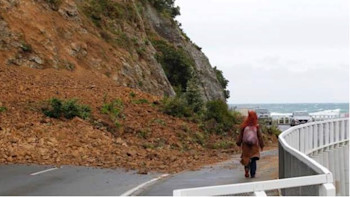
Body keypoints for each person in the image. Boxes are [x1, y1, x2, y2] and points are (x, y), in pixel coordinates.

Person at [236, 111, 264, 178]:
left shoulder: (244, 126)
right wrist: (262, 145)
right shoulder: (256, 127)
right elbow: (259, 137)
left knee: (246, 158)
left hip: (246, 146)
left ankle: (246, 169)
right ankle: (253, 174)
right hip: (254, 146)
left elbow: (240, 136)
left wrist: (238, 143)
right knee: (253, 159)